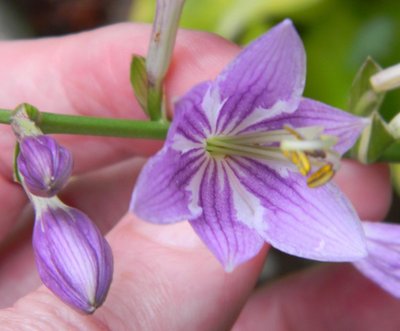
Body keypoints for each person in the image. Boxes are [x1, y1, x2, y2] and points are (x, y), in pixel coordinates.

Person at [0, 23, 397, 330]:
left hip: (209, 129)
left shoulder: (213, 127)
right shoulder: (188, 141)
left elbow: (281, 55)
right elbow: (167, 203)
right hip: (203, 134)